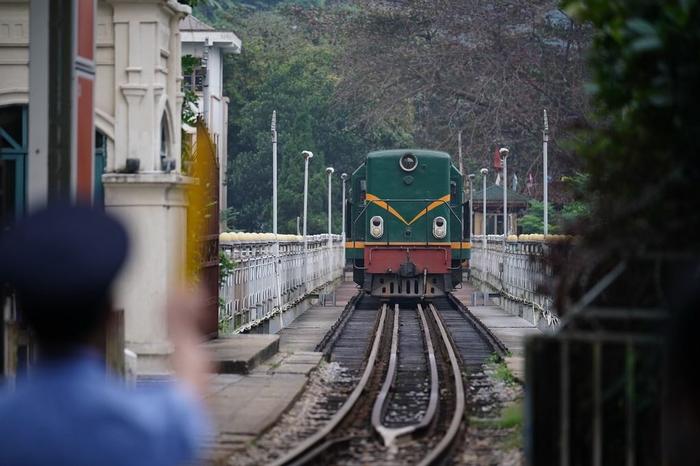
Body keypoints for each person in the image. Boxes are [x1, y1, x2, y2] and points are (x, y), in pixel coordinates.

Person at [0, 204, 211, 466]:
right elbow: (189, 397)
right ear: (110, 316)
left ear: (20, 319)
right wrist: (181, 327)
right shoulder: (148, 427)